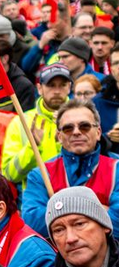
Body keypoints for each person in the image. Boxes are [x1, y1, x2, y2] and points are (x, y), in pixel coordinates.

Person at [21, 99, 119, 236]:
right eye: (68, 128)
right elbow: (33, 223)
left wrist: (58, 211)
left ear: (98, 132)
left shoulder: (116, 168)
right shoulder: (41, 174)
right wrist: (98, 209)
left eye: (84, 126)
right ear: (59, 136)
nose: (76, 132)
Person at [1, 63, 71, 188]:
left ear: (69, 87)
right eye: (51, 85)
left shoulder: (82, 119)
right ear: (39, 88)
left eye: (62, 85)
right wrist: (32, 149)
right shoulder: (20, 122)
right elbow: (9, 174)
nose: (56, 91)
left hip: (75, 196)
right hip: (36, 200)